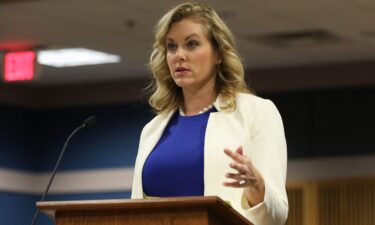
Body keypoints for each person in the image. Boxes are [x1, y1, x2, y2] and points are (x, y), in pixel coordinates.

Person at [131, 2, 288, 225]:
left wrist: (258, 188)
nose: (179, 56)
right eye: (172, 47)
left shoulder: (256, 113)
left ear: (219, 54)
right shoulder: (152, 130)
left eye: (192, 44)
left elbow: (277, 216)